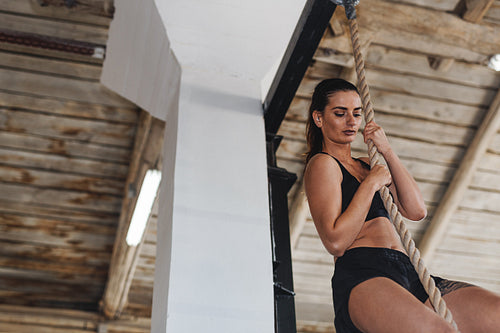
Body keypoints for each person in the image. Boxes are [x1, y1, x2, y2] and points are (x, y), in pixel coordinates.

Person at [303, 78, 500, 333]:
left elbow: (416, 210)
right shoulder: (322, 164)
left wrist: (386, 150)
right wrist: (371, 183)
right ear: (319, 118)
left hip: (409, 271)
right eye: (340, 113)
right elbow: (335, 241)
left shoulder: (367, 164)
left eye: (356, 113)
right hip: (364, 273)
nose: (351, 121)